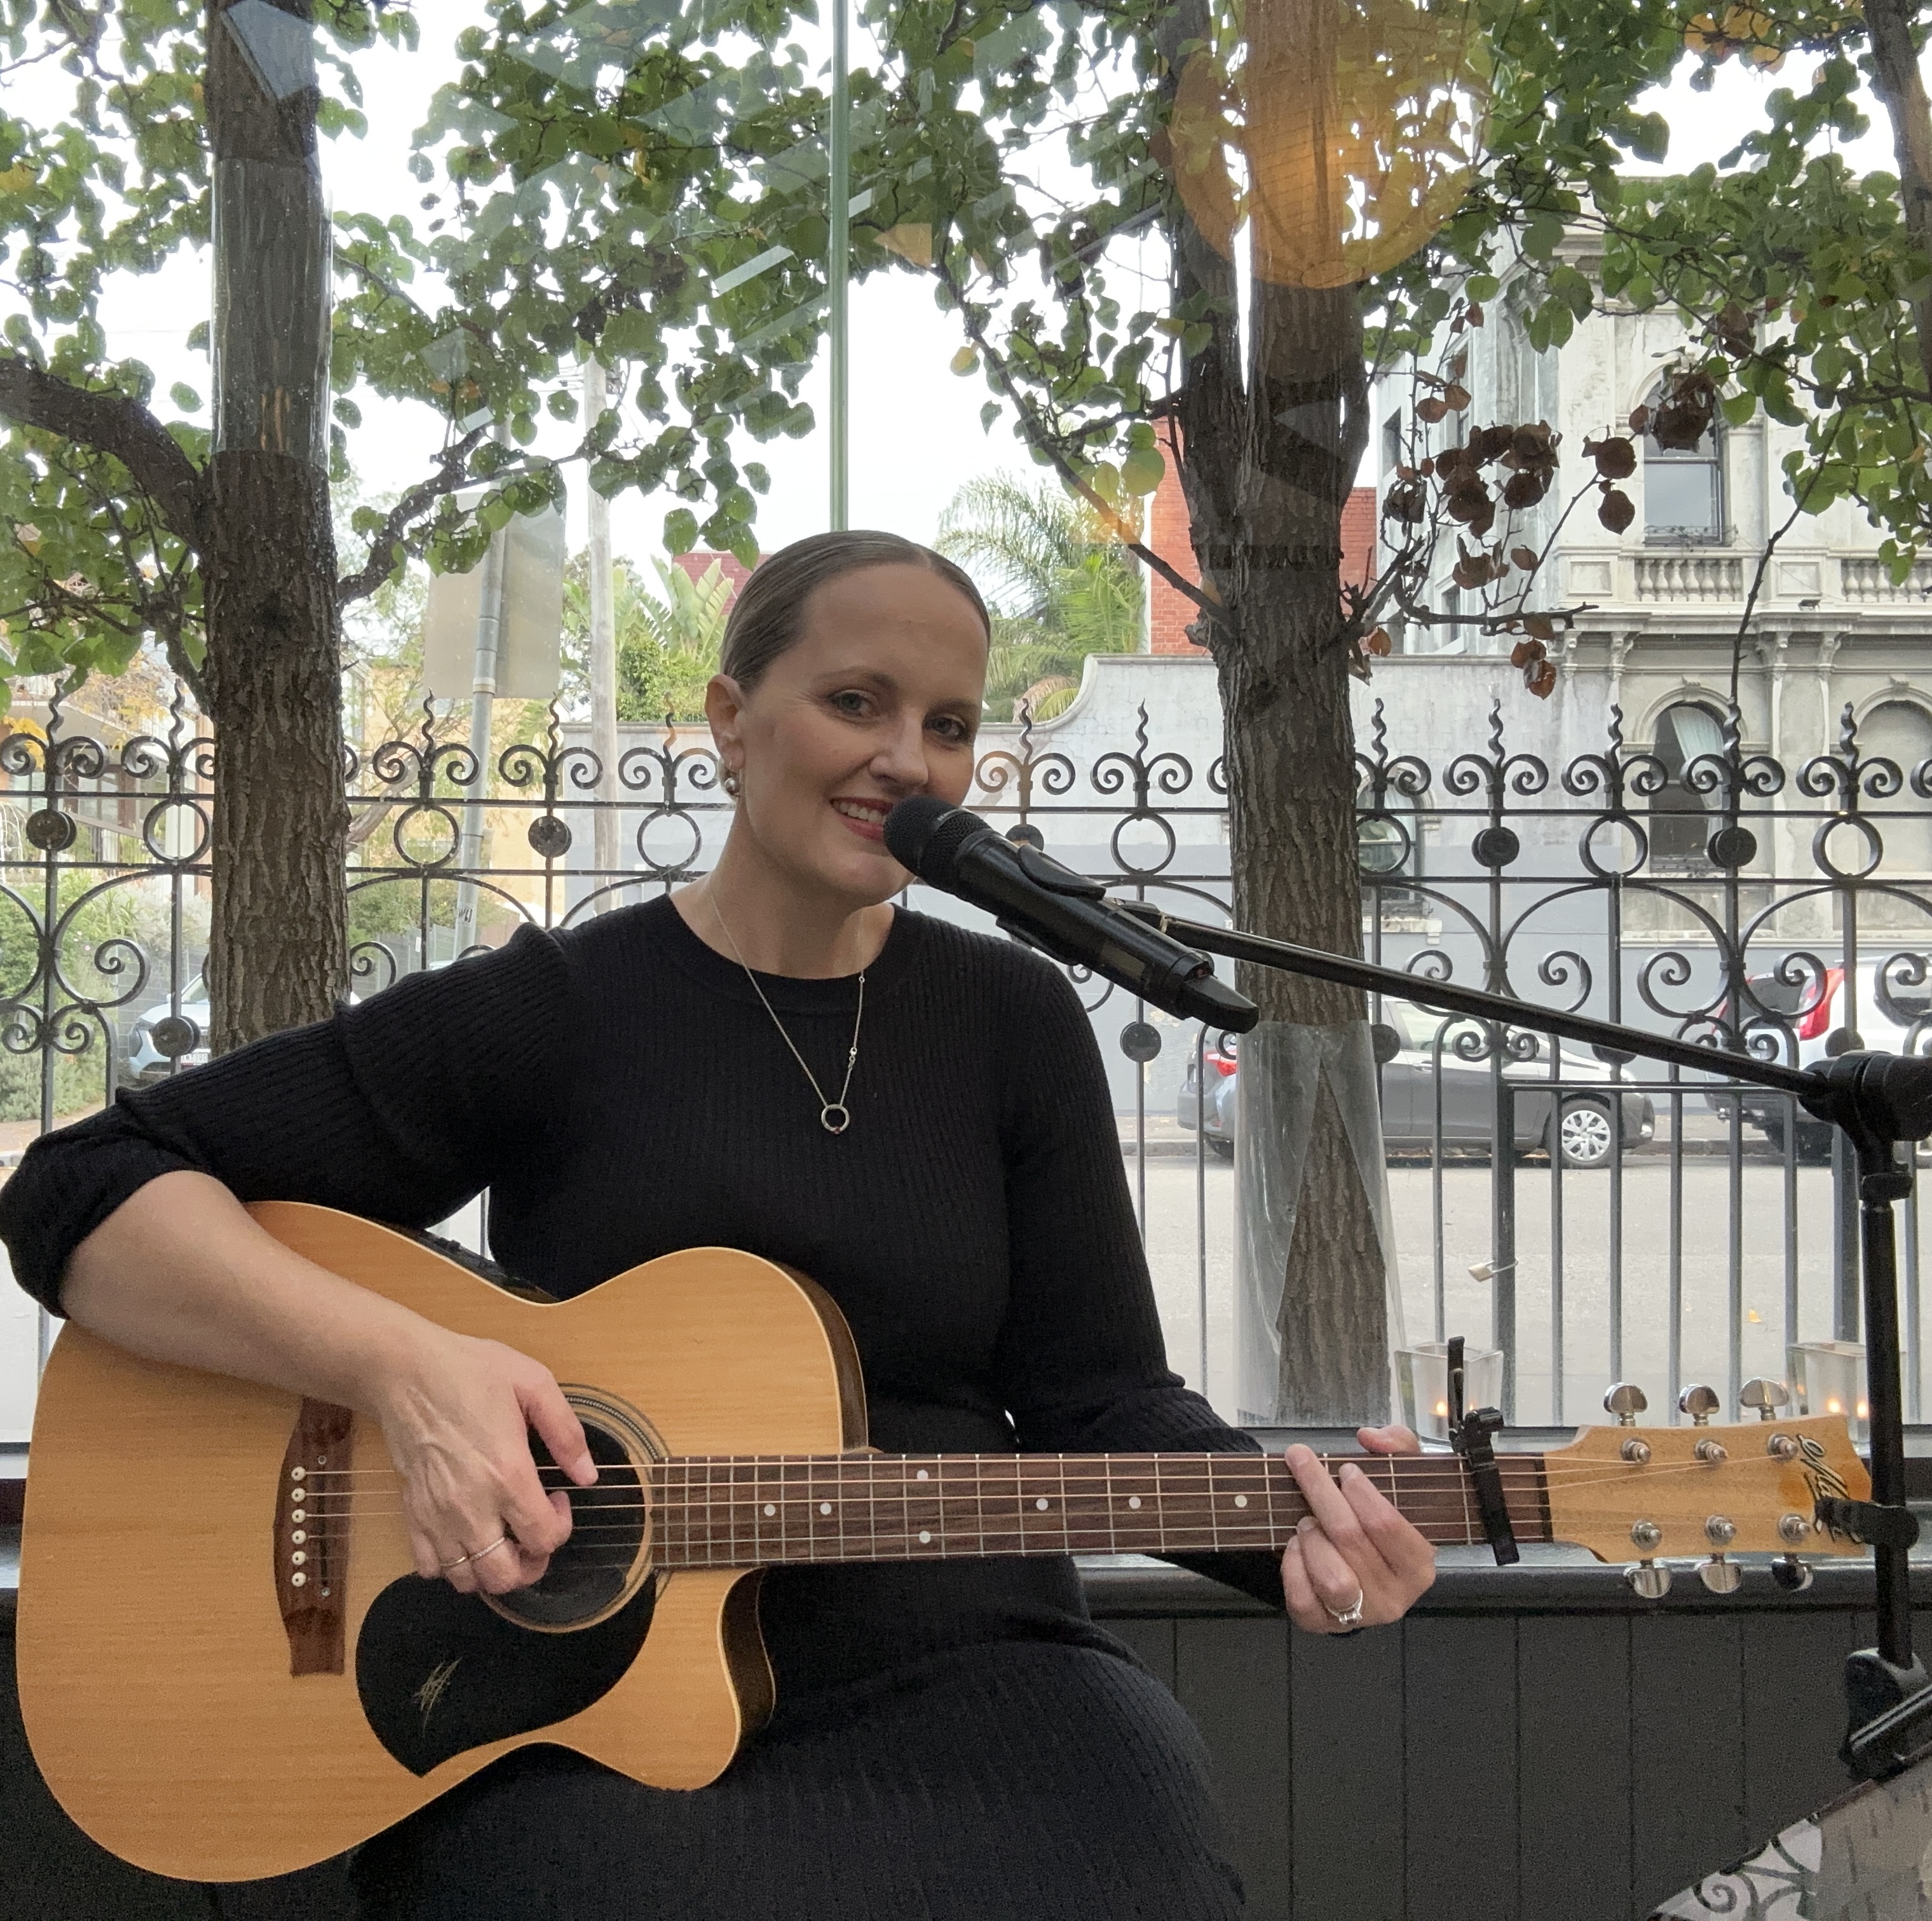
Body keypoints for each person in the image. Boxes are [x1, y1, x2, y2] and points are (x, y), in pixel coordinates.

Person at [0, 530, 1436, 1920]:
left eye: (947, 726)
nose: (907, 758)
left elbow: (1101, 1395)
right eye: (855, 702)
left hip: (978, 1669)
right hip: (569, 1701)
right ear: (731, 720)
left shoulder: (1012, 1018)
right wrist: (403, 1372)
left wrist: (1299, 1534)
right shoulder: (562, 1008)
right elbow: (84, 1185)